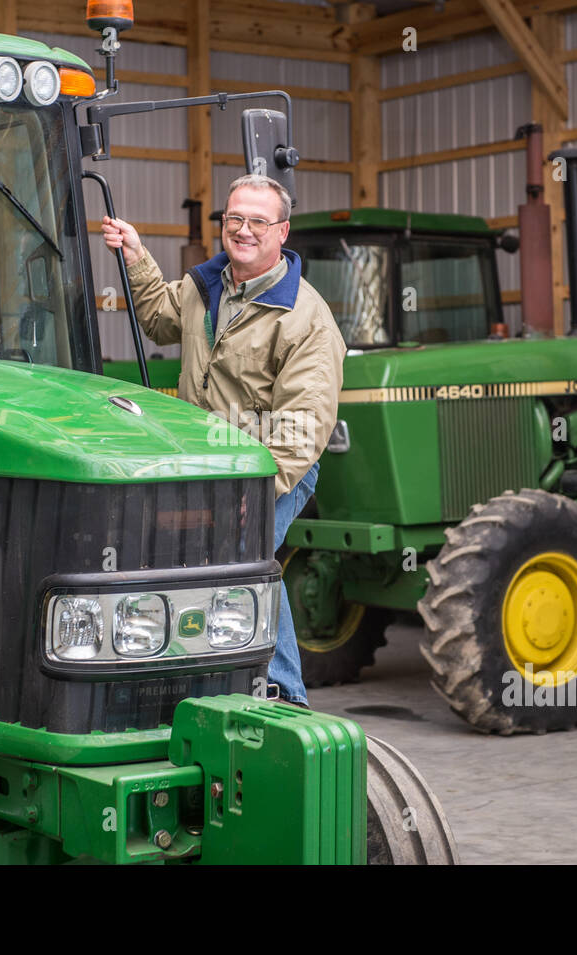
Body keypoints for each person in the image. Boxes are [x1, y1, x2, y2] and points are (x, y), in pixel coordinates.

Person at [101, 174, 345, 706]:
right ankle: (195, 686)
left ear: (282, 231)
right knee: (180, 560)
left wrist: (257, 490)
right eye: (234, 219)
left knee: (244, 558)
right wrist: (139, 258)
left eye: (258, 221)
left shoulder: (306, 318)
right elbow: (159, 320)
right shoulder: (204, 286)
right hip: (202, 465)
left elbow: (303, 425)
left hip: (271, 468)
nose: (243, 230)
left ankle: (284, 698)